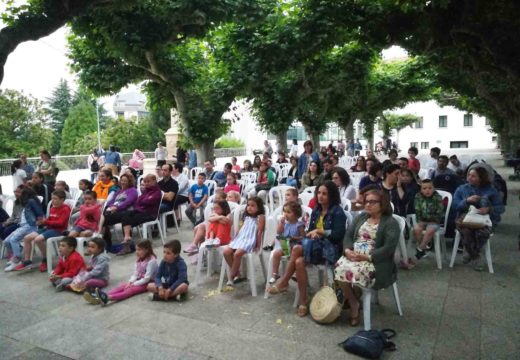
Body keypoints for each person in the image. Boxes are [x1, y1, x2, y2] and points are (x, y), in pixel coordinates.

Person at [269, 182, 346, 314]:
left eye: (324, 194)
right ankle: (303, 301)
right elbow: (310, 230)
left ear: (332, 195)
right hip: (315, 247)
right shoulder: (316, 210)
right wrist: (313, 233)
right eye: (319, 193)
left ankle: (284, 282)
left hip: (329, 250)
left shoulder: (338, 212)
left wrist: (321, 232)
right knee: (298, 261)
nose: (320, 196)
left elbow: (338, 236)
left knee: (296, 250)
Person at [334, 189, 400, 326]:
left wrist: (366, 257)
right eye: (366, 202)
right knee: (339, 267)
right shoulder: (361, 217)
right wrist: (347, 250)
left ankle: (354, 299)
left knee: (353, 271)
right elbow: (348, 235)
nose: (368, 205)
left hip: (375, 260)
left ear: (383, 203)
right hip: (354, 255)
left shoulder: (390, 223)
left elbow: (388, 249)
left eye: (373, 202)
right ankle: (354, 302)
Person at [453, 167, 505, 270]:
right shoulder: (462, 189)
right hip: (465, 218)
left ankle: (469, 251)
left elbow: (501, 208)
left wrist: (489, 209)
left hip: (484, 219)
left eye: (473, 176)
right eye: (469, 175)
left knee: (482, 232)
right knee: (467, 230)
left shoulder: (491, 190)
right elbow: (455, 205)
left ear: (481, 178)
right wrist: (467, 201)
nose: (469, 178)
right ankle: (475, 256)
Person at [85, 240, 158, 305]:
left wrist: (134, 284)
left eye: (139, 250)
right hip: (139, 280)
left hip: (148, 282)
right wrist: (130, 282)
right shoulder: (140, 259)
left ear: (147, 250)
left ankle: (108, 298)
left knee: (130, 290)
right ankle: (101, 296)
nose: (136, 252)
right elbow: (136, 273)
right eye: (136, 249)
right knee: (122, 286)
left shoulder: (152, 261)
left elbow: (147, 278)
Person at [15, 190, 70, 272]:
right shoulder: (53, 208)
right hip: (49, 228)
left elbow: (60, 223)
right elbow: (49, 220)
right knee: (27, 238)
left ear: (62, 200)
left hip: (58, 230)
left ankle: (45, 259)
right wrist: (42, 222)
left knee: (38, 239)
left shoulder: (65, 209)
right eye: (52, 198)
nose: (53, 201)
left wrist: (46, 222)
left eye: (55, 199)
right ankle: (27, 261)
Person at [223, 197, 266, 285]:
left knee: (237, 253)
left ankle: (231, 277)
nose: (249, 207)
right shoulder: (244, 216)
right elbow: (239, 228)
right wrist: (235, 238)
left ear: (259, 207)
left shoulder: (260, 217)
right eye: (248, 205)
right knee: (226, 251)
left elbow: (260, 232)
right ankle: (237, 273)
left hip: (250, 240)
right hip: (240, 239)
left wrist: (258, 245)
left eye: (253, 206)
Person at [116, 175, 162, 255]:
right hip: (141, 211)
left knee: (127, 221)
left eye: (148, 182)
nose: (146, 184)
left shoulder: (157, 192)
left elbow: (148, 202)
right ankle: (127, 238)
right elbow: (138, 202)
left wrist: (142, 202)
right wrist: (142, 202)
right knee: (126, 215)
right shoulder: (146, 191)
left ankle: (128, 246)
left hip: (150, 214)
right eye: (145, 182)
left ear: (154, 181)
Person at [4, 187, 44, 271]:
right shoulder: (25, 202)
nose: (19, 195)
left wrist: (39, 221)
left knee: (13, 240)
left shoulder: (31, 201)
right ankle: (17, 254)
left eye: (21, 193)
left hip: (29, 226)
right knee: (7, 240)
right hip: (23, 226)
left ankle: (17, 259)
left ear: (25, 194)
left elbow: (40, 213)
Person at [269, 201, 306, 284]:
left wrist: (294, 238)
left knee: (295, 255)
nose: (285, 214)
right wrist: (281, 224)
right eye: (284, 211)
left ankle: (295, 273)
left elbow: (304, 237)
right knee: (276, 253)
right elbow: (279, 232)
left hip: (295, 247)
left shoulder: (299, 225)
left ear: (296, 214)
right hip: (285, 246)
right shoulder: (285, 223)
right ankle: (275, 274)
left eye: (288, 212)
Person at [101, 174, 138, 249]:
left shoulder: (133, 191)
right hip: (114, 211)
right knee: (102, 219)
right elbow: (110, 201)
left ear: (129, 182)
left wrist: (117, 208)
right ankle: (105, 243)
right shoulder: (118, 191)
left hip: (126, 210)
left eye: (125, 181)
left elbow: (128, 202)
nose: (123, 182)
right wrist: (111, 207)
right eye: (122, 180)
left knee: (126, 215)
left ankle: (128, 245)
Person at [413, 180, 445, 261]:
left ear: (434, 188)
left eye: (430, 188)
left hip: (434, 220)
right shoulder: (418, 196)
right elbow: (417, 210)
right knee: (416, 229)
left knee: (430, 230)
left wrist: (432, 219)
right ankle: (423, 248)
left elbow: (440, 211)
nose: (427, 190)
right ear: (421, 189)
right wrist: (420, 221)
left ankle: (420, 249)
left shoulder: (437, 197)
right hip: (422, 220)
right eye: (424, 188)